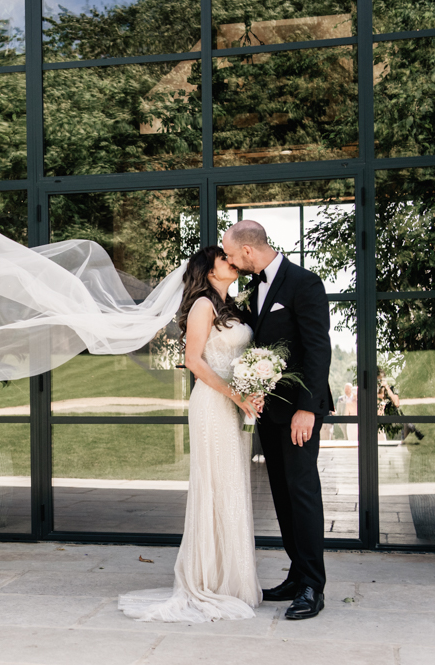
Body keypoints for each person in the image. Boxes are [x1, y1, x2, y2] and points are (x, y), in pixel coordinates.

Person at [119, 246, 262, 622]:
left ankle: (231, 578)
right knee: (214, 486)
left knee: (232, 485)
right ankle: (205, 578)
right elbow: (195, 360)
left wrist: (254, 386)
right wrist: (236, 394)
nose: (232, 263)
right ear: (208, 269)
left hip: (234, 406)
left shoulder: (230, 306)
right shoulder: (202, 305)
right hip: (214, 405)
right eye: (224, 259)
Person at [222, 220, 333, 621]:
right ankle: (295, 572)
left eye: (231, 254)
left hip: (298, 413)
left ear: (248, 251)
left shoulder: (305, 283)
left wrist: (308, 408)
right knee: (283, 496)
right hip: (269, 411)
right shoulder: (255, 290)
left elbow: (319, 350)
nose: (230, 261)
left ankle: (312, 586)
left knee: (302, 493)